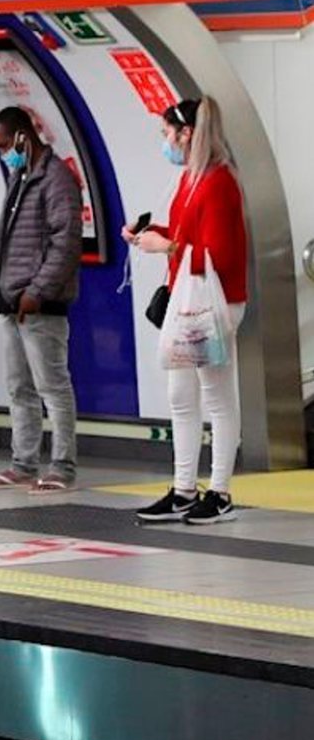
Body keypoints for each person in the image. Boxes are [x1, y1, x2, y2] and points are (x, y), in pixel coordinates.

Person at [125, 97, 247, 526]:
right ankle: (182, 489)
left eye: (167, 134)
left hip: (214, 302)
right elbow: (183, 234)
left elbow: (224, 255)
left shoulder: (219, 182)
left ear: (187, 134)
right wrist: (150, 234)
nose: (165, 143)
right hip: (187, 299)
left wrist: (171, 246)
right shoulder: (191, 179)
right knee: (180, 397)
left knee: (216, 395)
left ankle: (220, 491)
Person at [0, 106, 83, 494]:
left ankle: (62, 466)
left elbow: (65, 244)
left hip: (39, 304)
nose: (3, 153)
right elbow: (23, 244)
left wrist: (38, 291)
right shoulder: (20, 177)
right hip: (14, 301)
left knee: (53, 386)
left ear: (22, 137)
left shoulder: (57, 179)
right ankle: (23, 462)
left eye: (3, 144)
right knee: (20, 387)